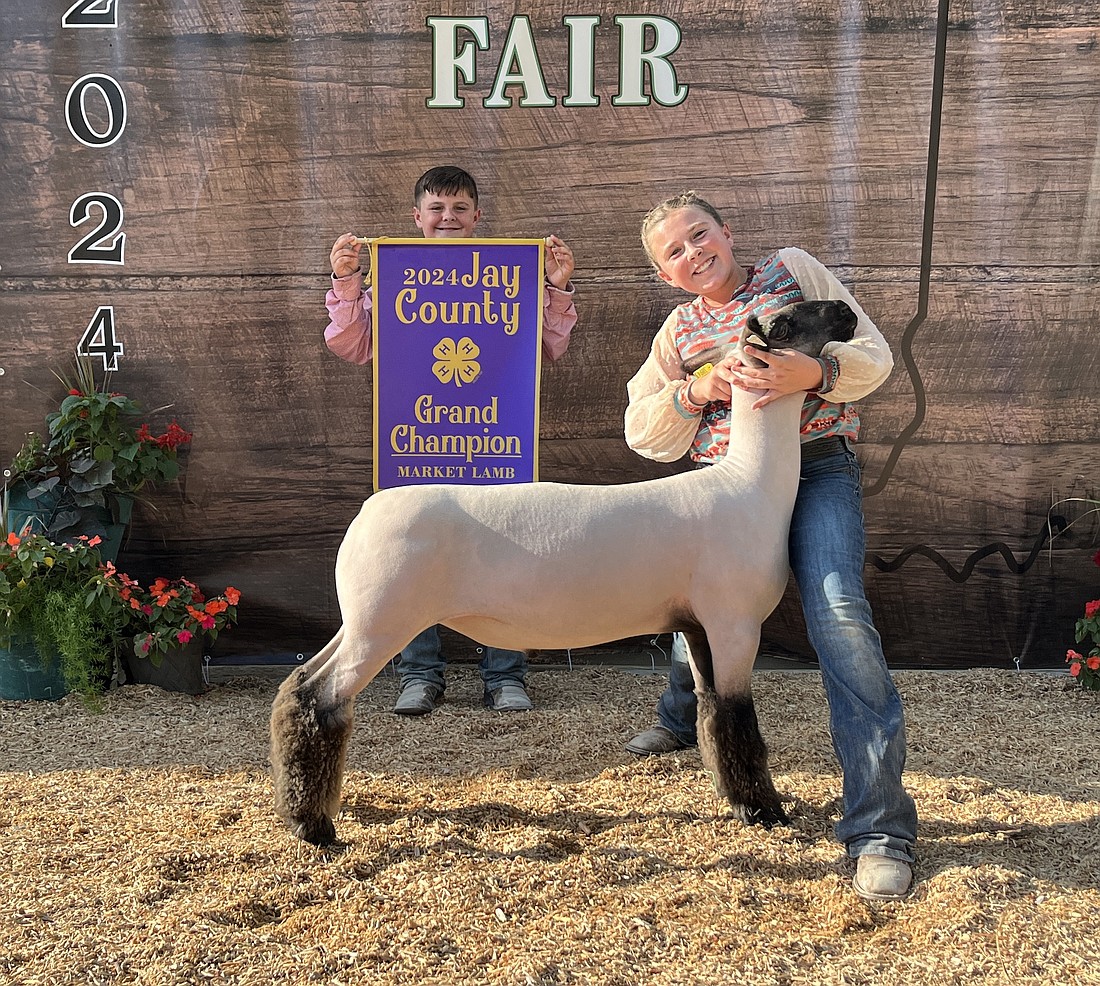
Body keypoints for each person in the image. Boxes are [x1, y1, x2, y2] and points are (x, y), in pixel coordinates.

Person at [622, 190, 916, 901]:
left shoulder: (792, 270)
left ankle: (879, 828)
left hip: (816, 470)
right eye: (676, 251)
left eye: (700, 235)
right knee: (706, 607)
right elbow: (642, 428)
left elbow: (870, 352)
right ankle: (678, 717)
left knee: (837, 611)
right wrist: (699, 388)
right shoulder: (680, 330)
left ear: (727, 231)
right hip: (723, 489)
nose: (694, 253)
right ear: (666, 274)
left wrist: (814, 373)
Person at [324, 165, 578, 716]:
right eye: (437, 209)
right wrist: (348, 281)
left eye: (459, 208)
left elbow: (547, 349)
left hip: (492, 442)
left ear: (477, 217)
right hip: (417, 441)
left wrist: (555, 287)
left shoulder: (511, 277)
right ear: (417, 219)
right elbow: (350, 344)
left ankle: (505, 675)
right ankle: (419, 672)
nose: (448, 218)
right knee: (414, 555)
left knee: (504, 549)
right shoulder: (392, 276)